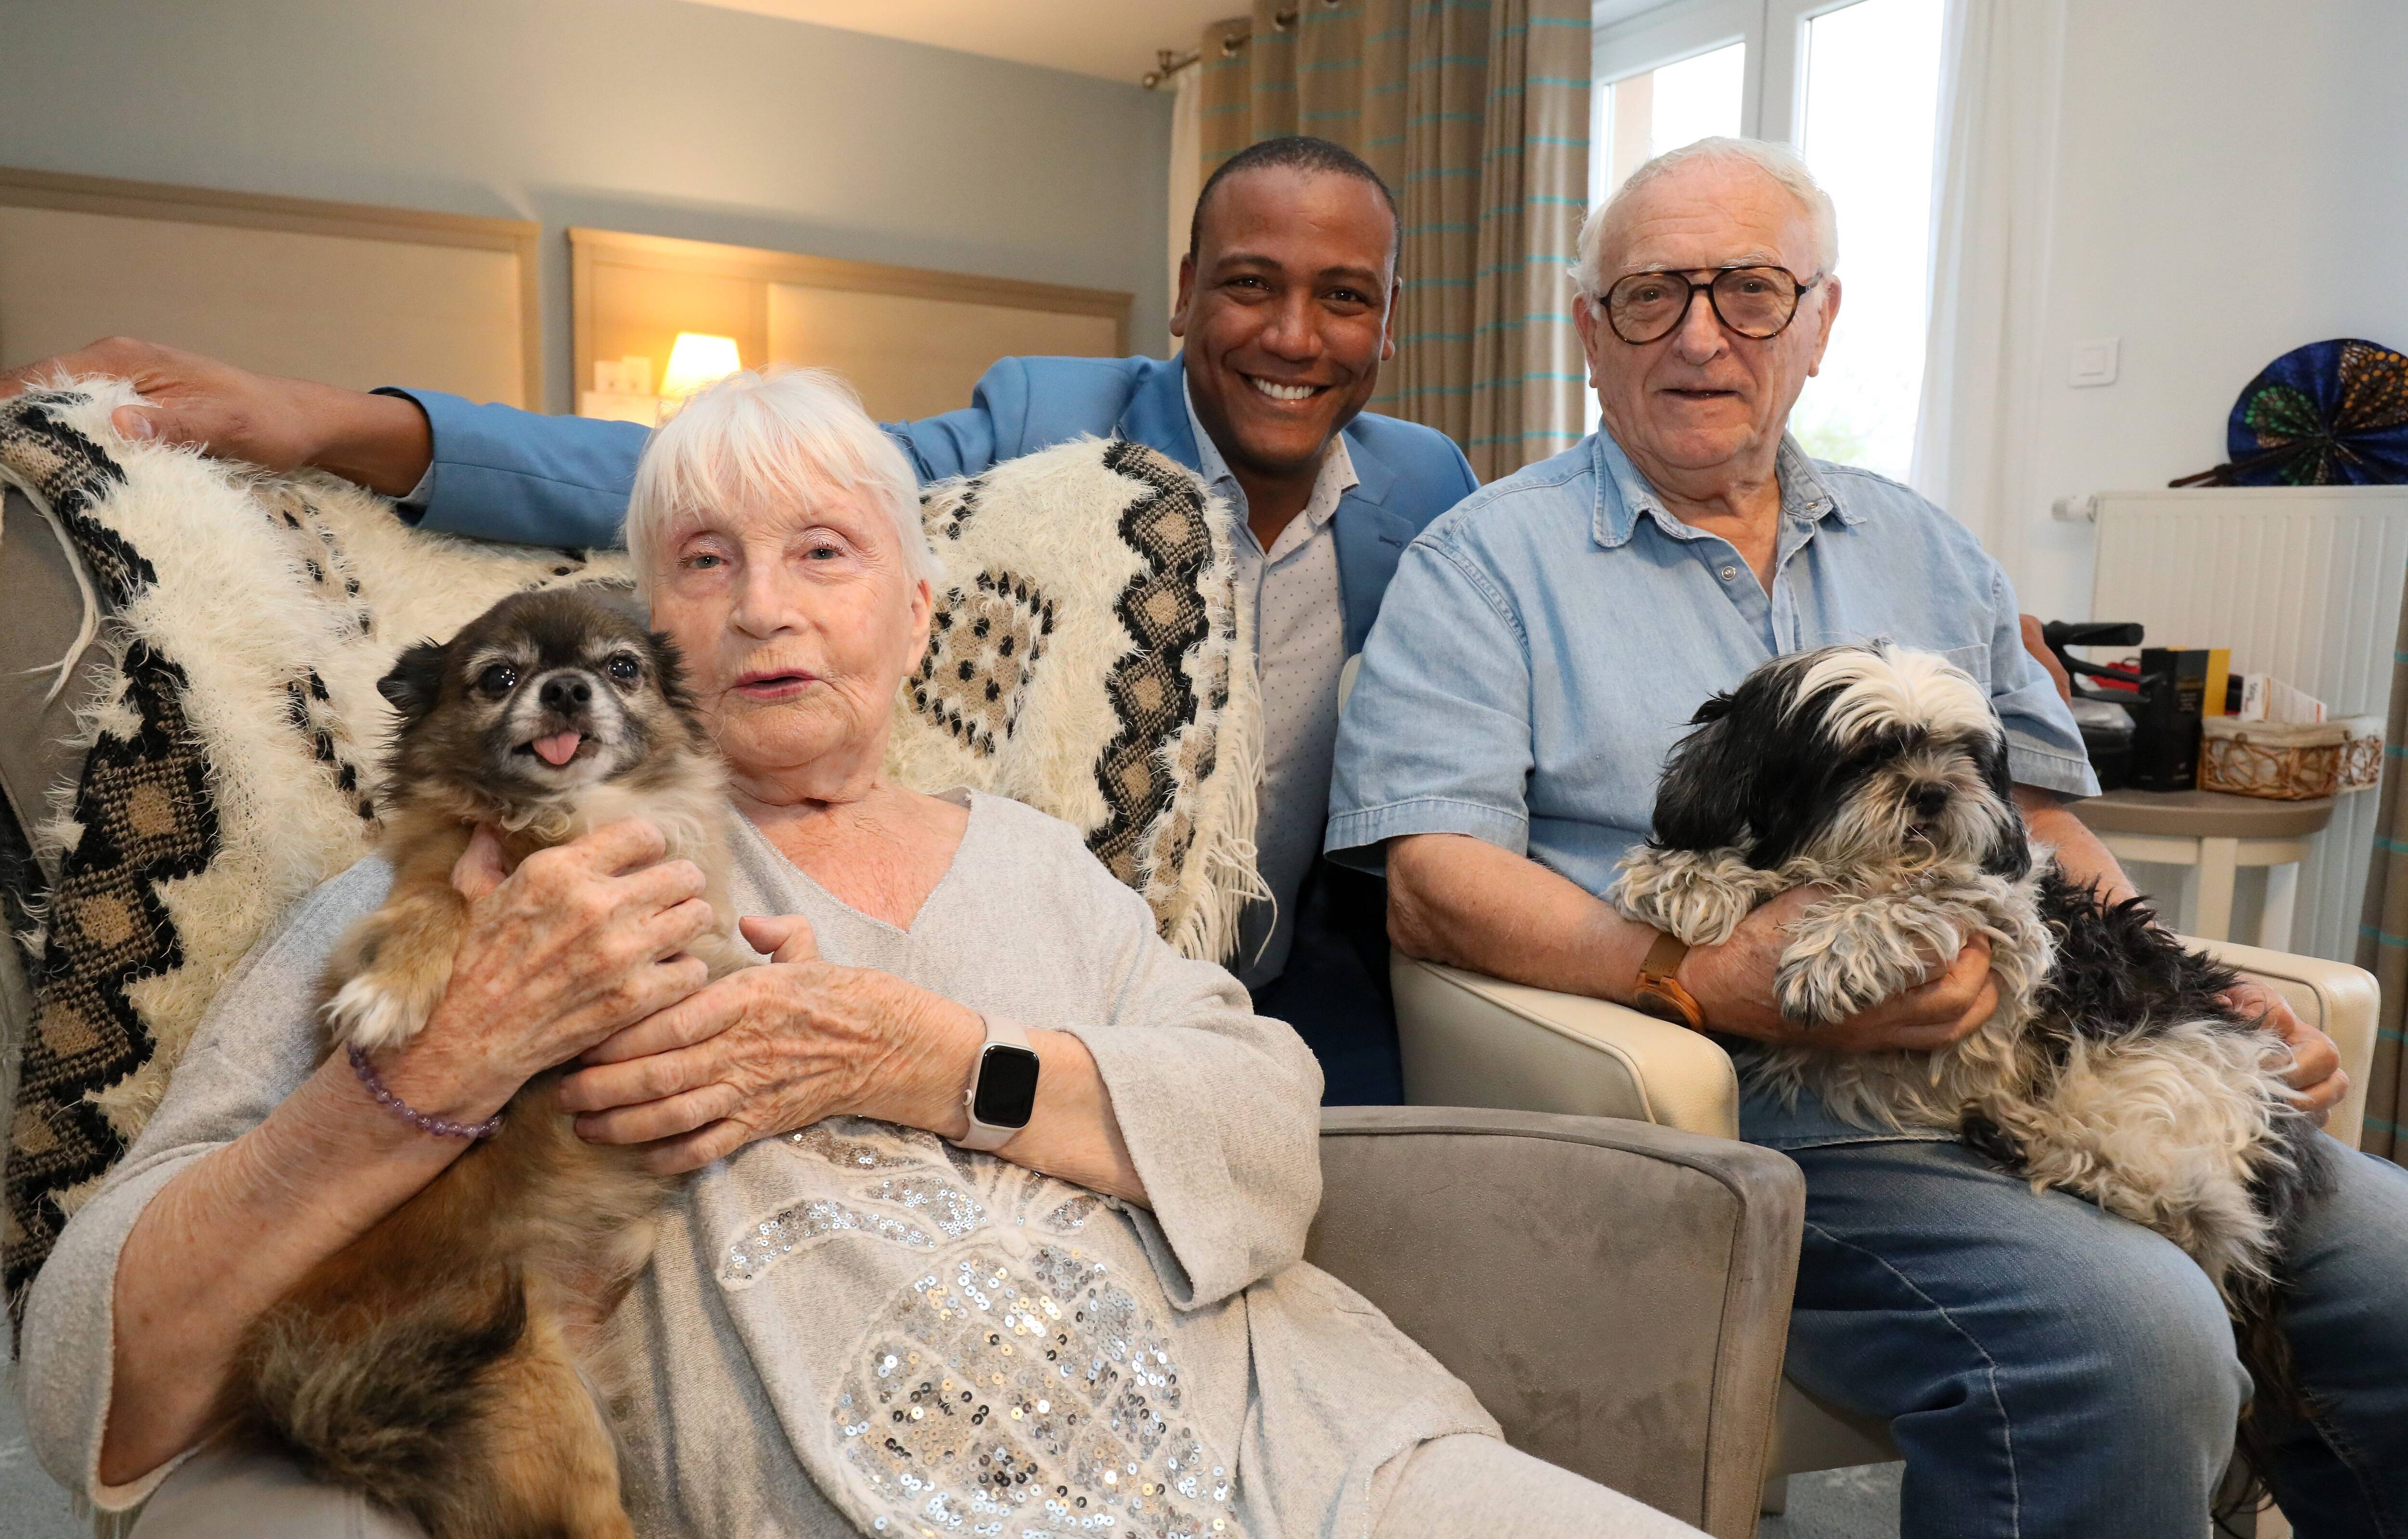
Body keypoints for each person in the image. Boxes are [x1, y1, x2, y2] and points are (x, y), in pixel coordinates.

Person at [17, 367, 1698, 1539]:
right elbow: (95, 1354)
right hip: (868, 1488)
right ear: (643, 632)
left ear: (915, 610)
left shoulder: (1055, 866)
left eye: (824, 554)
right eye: (704, 562)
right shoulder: (501, 867)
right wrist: (433, 1074)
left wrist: (944, 1059)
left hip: (1302, 1454)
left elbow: (1268, 1125)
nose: (764, 609)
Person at [1326, 136, 2408, 1537]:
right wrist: (1697, 975)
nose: (1704, 335)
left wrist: (2195, 994)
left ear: (1821, 322)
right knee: (2133, 1338)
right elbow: (1432, 887)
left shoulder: (1934, 548)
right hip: (1762, 1109)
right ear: (1590, 332)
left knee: (2393, 1268)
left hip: (2045, 1053)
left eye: (1754, 292)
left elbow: (2040, 825)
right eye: (1653, 296)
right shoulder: (1485, 563)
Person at [0, 135, 1464, 1105]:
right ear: (1188, 297)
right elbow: (698, 484)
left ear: (1389, 323)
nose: (1294, 337)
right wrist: (334, 421)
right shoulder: (1049, 425)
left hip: (1317, 992)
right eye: (1252, 287)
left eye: (1345, 299)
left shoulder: (1430, 485)